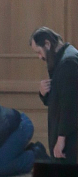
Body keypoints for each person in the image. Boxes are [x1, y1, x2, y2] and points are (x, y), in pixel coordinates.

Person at [30, 26, 78, 162]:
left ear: (47, 44)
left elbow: (69, 106)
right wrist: (43, 93)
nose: (40, 57)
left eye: (39, 52)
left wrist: (61, 139)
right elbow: (59, 97)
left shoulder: (68, 62)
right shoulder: (61, 59)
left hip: (69, 139)